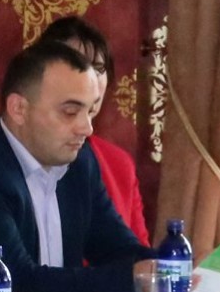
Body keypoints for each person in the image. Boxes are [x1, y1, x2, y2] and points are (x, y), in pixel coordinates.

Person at [0, 42, 155, 292]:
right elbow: (18, 284)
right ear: (19, 109)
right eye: (70, 112)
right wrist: (132, 282)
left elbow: (116, 246)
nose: (86, 128)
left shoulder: (80, 161)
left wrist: (164, 269)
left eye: (91, 111)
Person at [35, 15, 150, 244]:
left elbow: (135, 252)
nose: (91, 80)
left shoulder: (118, 164)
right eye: (78, 65)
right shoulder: (17, 156)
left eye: (98, 68)